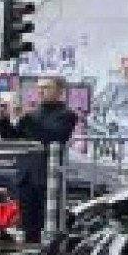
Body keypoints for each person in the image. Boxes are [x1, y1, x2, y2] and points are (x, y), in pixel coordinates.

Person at [12, 78, 79, 244]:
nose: (41, 91)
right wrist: (3, 120)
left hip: (47, 176)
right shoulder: (33, 114)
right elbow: (13, 136)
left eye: (47, 87)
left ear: (60, 91)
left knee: (49, 226)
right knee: (28, 226)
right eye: (39, 88)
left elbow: (53, 137)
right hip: (26, 175)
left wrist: (26, 119)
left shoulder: (67, 115)